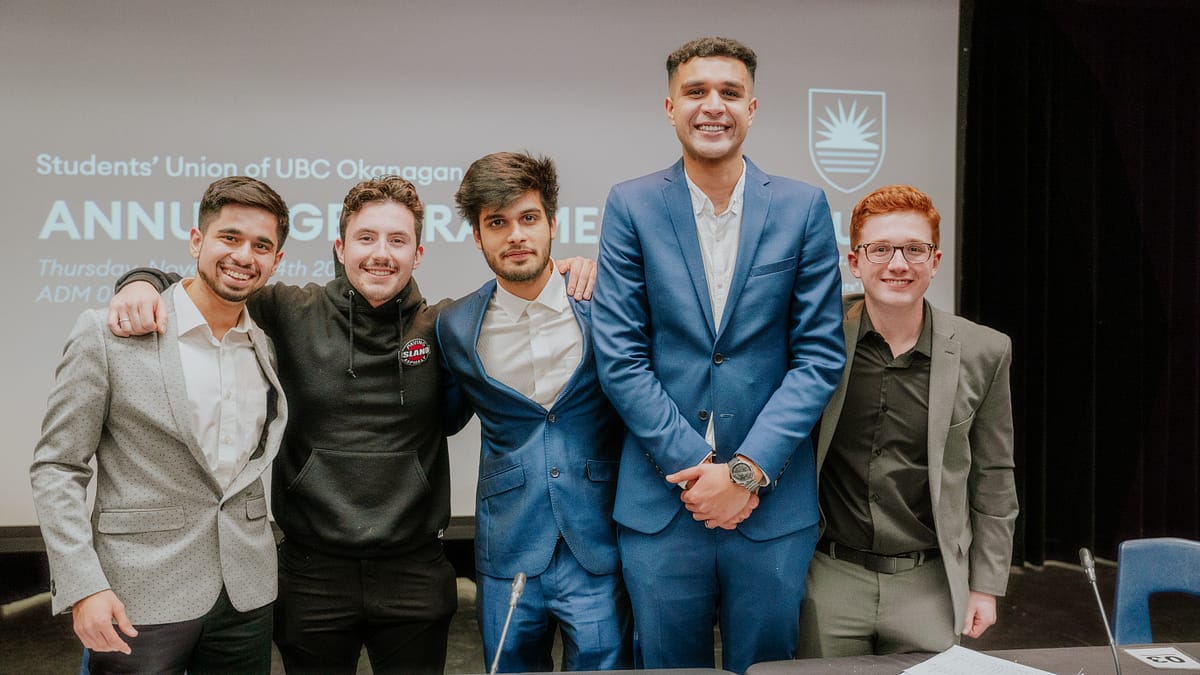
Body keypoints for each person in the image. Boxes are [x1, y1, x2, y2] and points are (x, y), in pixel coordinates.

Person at [107, 175, 596, 675]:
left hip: (414, 573)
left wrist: (570, 270)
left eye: (397, 240)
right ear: (341, 248)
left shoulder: (445, 327)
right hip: (311, 575)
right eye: (366, 238)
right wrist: (142, 281)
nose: (381, 253)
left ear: (417, 254)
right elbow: (211, 284)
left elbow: (521, 294)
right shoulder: (288, 311)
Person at [592, 37, 846, 675]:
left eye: (729, 93)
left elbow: (818, 356)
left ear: (752, 108)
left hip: (771, 507)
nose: (713, 106)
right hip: (663, 504)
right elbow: (620, 356)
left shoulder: (803, 207)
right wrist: (702, 469)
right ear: (670, 107)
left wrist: (744, 474)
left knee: (768, 668)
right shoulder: (631, 204)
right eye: (696, 92)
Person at [30, 176, 290, 674]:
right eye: (229, 237)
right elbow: (57, 467)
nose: (243, 255)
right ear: (196, 241)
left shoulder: (265, 345)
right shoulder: (107, 333)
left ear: (275, 261)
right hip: (138, 592)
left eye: (261, 246)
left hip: (245, 594)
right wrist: (83, 584)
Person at [797, 184, 1018, 656]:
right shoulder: (817, 339)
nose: (898, 264)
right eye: (880, 249)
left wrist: (986, 584)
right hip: (829, 575)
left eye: (914, 250)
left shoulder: (985, 351)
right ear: (854, 263)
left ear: (934, 262)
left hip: (928, 582)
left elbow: (994, 476)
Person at [436, 152, 632, 672]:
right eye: (497, 223)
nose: (516, 235)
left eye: (528, 218)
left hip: (597, 538)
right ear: (477, 236)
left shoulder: (604, 300)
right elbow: (444, 416)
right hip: (508, 544)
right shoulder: (456, 325)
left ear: (552, 224)